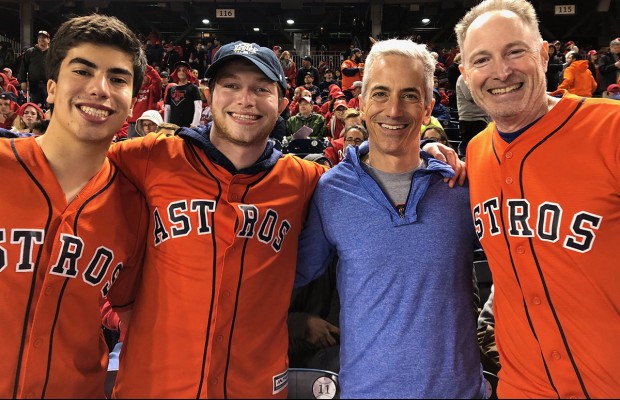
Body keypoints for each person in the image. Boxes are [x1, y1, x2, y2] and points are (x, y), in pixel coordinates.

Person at [106, 41, 327, 399]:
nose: (246, 99)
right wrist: (116, 310)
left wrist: (429, 151)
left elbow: (370, 178)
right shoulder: (148, 157)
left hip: (255, 385)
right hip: (153, 383)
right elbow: (72, 176)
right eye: (231, 85)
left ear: (282, 103)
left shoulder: (307, 180)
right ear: (209, 96)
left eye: (261, 88)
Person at [295, 38, 483, 398]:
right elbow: (285, 275)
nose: (393, 110)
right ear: (362, 104)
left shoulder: (462, 184)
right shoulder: (331, 190)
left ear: (428, 108)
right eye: (380, 94)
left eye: (409, 96)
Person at [455, 0, 620, 397]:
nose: (501, 71)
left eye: (515, 51)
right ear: (464, 74)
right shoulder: (474, 155)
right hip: (523, 387)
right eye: (482, 60)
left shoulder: (611, 129)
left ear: (544, 54)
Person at [0, 14, 148, 398]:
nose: (99, 88)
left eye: (118, 79)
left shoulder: (135, 205)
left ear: (132, 102)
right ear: (49, 87)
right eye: (82, 71)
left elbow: (133, 317)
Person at [164, 60, 202, 128]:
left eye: (184, 70)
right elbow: (167, 108)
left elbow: (198, 108)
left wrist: (194, 124)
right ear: (176, 72)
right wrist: (166, 124)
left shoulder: (193, 88)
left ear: (188, 72)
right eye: (179, 70)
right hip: (173, 127)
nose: (181, 72)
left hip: (188, 126)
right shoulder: (171, 89)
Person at [17, 30, 50, 107]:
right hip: (34, 84)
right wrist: (22, 81)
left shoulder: (52, 52)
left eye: (44, 38)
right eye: (39, 37)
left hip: (48, 84)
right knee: (35, 106)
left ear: (48, 40)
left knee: (50, 106)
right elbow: (23, 67)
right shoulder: (30, 52)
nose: (41, 39)